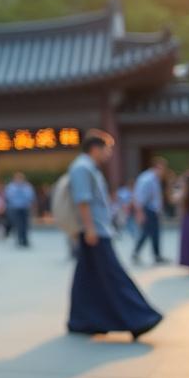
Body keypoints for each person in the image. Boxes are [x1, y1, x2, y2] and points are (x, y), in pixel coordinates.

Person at [66, 129, 162, 340]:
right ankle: (139, 318)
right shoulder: (82, 168)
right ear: (95, 148)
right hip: (95, 230)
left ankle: (82, 320)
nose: (109, 153)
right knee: (114, 275)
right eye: (107, 149)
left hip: (97, 228)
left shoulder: (88, 167)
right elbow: (83, 201)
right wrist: (90, 228)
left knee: (87, 277)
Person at [131, 158, 168, 264]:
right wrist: (140, 212)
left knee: (150, 233)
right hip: (148, 210)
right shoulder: (148, 179)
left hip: (151, 210)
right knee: (149, 233)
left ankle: (152, 255)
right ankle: (151, 255)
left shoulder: (153, 178)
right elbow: (140, 197)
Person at [4, 173, 36, 248]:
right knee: (18, 225)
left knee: (25, 225)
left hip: (25, 208)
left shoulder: (27, 187)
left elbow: (30, 196)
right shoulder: (11, 187)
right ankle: (19, 240)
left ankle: (25, 240)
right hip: (15, 208)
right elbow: (9, 197)